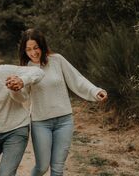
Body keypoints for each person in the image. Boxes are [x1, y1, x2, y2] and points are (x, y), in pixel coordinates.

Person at [17, 29, 108, 176]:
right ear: (24, 51)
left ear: (42, 46)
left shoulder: (57, 60)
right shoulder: (25, 69)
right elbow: (22, 96)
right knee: (41, 167)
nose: (33, 53)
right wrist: (15, 88)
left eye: (36, 48)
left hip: (64, 121)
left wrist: (95, 91)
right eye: (28, 49)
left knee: (58, 168)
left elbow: (77, 79)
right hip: (41, 123)